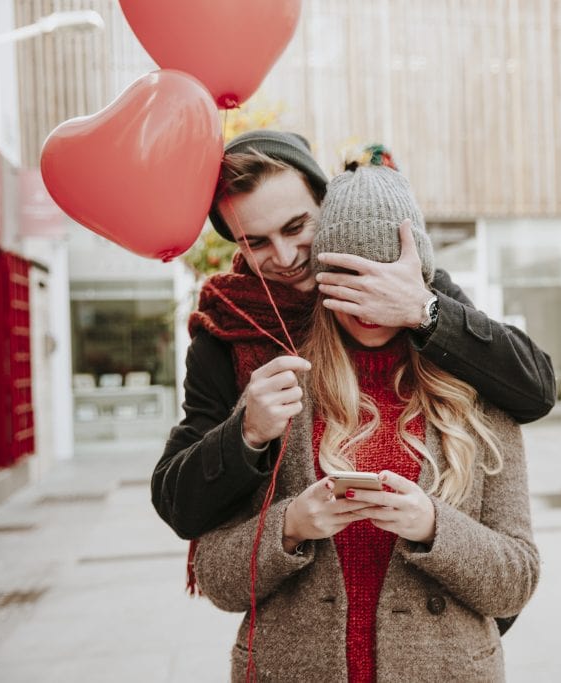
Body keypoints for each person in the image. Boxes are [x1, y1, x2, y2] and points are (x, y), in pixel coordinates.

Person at [194, 154, 539, 682]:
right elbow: (216, 575)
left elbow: (517, 580)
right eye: (348, 277)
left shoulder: (476, 393)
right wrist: (289, 527)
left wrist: (432, 527)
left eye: (383, 279)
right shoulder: (279, 391)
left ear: (416, 280)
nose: (368, 299)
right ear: (321, 278)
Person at [152, 131, 555, 543]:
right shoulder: (228, 325)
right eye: (256, 243)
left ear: (325, 207)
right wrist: (246, 433)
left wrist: (423, 310)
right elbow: (177, 505)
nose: (286, 257)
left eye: (296, 227)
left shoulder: (401, 279)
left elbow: (535, 390)